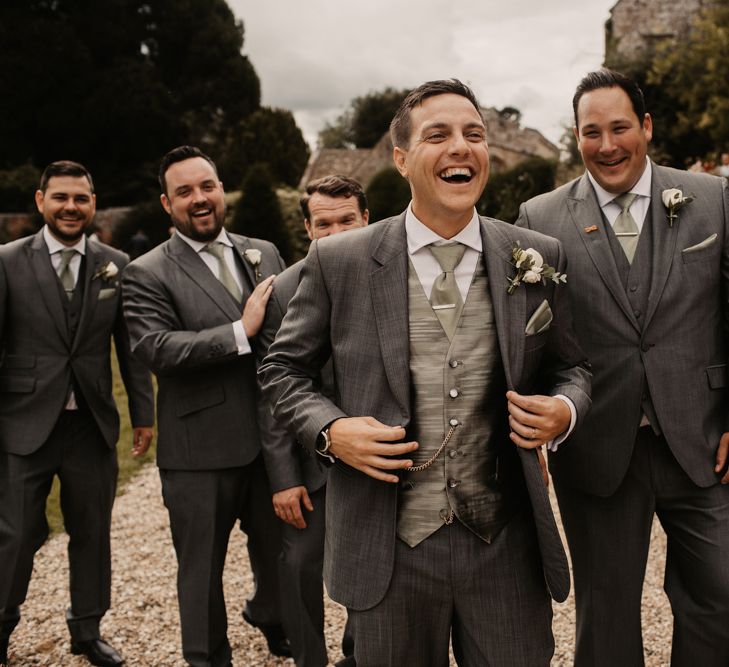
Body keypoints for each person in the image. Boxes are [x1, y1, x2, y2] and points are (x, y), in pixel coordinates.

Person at [259, 80, 591, 666]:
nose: (461, 147)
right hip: (390, 551)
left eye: (474, 135)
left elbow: (573, 367)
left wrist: (564, 410)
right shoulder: (341, 261)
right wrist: (331, 431)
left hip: (505, 545)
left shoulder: (537, 255)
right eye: (437, 135)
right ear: (401, 159)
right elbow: (283, 370)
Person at [516, 68, 729, 666]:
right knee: (605, 615)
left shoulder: (712, 199)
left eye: (619, 128)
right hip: (599, 445)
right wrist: (538, 426)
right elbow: (534, 343)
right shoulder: (540, 218)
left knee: (721, 596)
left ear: (646, 127)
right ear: (576, 136)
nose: (607, 146)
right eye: (591, 132)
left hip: (704, 438)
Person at [122, 146, 289, 667]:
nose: (200, 199)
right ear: (166, 203)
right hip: (199, 449)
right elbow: (156, 349)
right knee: (200, 572)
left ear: (221, 189)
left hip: (273, 443)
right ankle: (206, 657)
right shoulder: (146, 272)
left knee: (283, 557)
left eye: (207, 186)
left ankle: (271, 615)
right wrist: (241, 332)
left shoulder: (263, 251)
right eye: (185, 192)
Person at [0, 160, 155, 667]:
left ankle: (87, 630)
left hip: (91, 423)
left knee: (92, 531)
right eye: (61, 197)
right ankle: (2, 623)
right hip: (23, 421)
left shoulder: (116, 263)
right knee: (16, 532)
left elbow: (130, 349)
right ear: (40, 200)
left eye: (81, 198)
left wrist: (143, 414)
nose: (71, 207)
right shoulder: (7, 261)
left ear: (93, 204)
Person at [258, 175, 368, 667]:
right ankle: (309, 658)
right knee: (301, 565)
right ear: (307, 227)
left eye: (347, 219)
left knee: (372, 570)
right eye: (324, 223)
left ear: (366, 218)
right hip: (310, 461)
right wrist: (283, 479)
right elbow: (273, 390)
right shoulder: (283, 289)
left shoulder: (392, 271)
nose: (337, 232)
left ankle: (357, 654)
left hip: (376, 452)